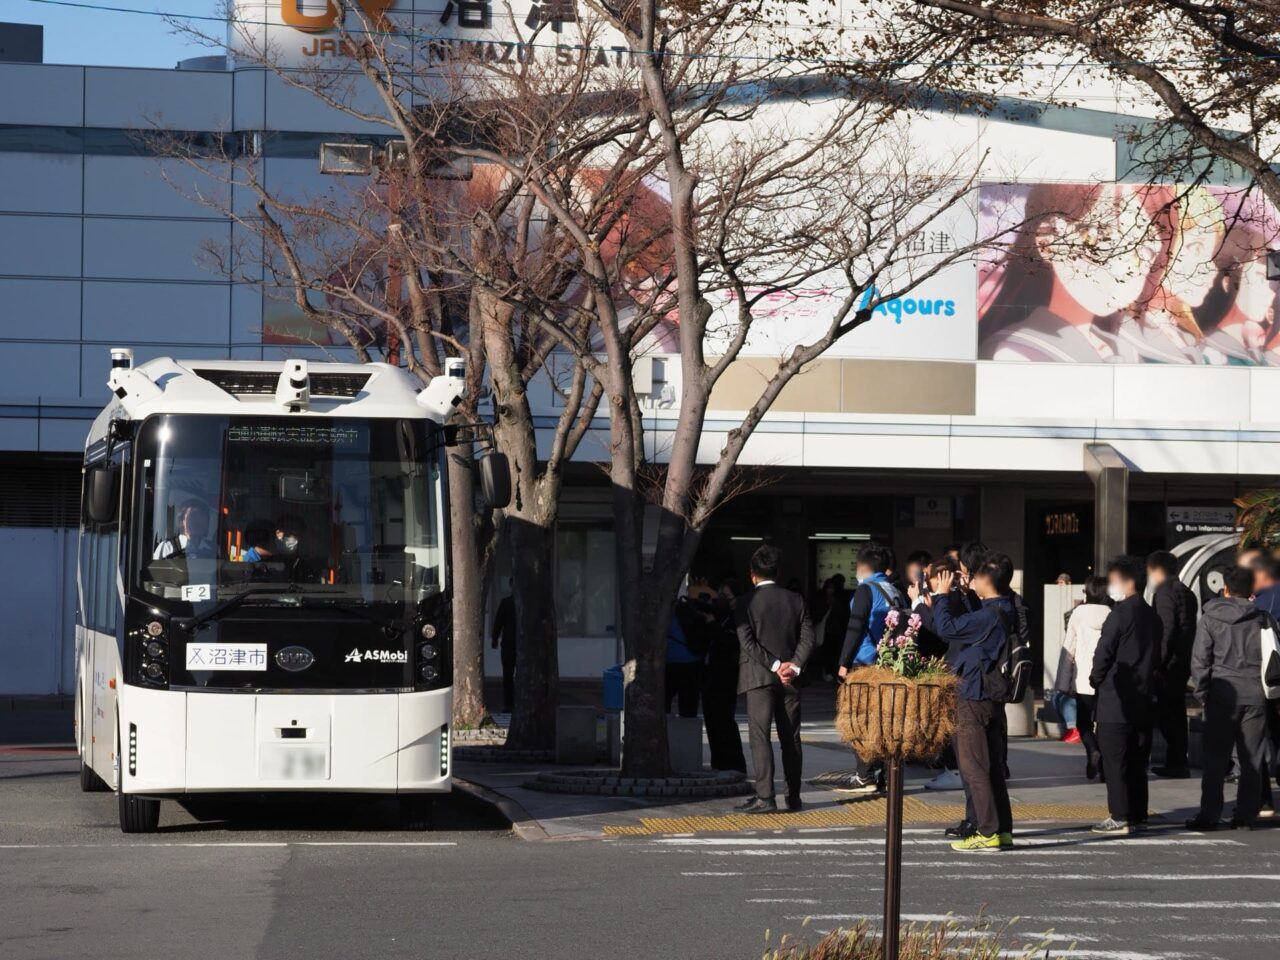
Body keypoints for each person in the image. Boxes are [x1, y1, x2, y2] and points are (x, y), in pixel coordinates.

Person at [932, 560, 1016, 852]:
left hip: (972, 697)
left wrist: (941, 595)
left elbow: (947, 628)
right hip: (988, 698)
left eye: (974, 577)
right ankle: (1002, 829)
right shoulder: (1003, 608)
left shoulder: (990, 616)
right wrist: (968, 594)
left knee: (973, 768)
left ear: (986, 579)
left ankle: (988, 831)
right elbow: (972, 625)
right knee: (990, 767)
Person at [1186, 565, 1274, 831]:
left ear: (1225, 588)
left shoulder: (1211, 617)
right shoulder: (1263, 618)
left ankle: (1209, 814)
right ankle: (1246, 814)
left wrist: (1202, 693)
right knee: (1252, 759)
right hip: (1256, 695)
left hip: (1221, 695)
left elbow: (1200, 661)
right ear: (1252, 591)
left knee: (1215, 758)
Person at [734, 544, 816, 814]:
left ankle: (765, 796)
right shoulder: (796, 600)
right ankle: (793, 797)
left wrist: (776, 664)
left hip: (758, 677)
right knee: (791, 738)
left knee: (760, 736)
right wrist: (793, 666)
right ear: (777, 573)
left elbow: (746, 641)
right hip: (790, 679)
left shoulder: (745, 602)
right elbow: (808, 637)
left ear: (752, 574)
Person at [1089, 556, 1163, 835]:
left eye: (1112, 580)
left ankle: (1119, 815)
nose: (1110, 586)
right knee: (1137, 761)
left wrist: (1095, 679)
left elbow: (1103, 653)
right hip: (1144, 697)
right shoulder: (1152, 616)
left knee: (1114, 760)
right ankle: (1138, 814)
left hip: (1115, 698)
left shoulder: (1119, 614)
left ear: (1128, 581)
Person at [836, 543, 905, 793]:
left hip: (866, 663)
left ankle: (865, 775)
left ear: (861, 566)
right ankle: (885, 775)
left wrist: (844, 662)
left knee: (860, 720)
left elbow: (855, 628)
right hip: (890, 665)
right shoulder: (895, 590)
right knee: (884, 721)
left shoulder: (866, 589)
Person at [1147, 550, 1199, 778]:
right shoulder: (1187, 593)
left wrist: (1157, 662)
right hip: (1182, 661)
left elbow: (1166, 631)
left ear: (1156, 570)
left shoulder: (1165, 592)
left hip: (1168, 665)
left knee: (1167, 714)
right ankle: (1177, 760)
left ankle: (1176, 762)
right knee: (1175, 713)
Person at [1055, 575, 1112, 780]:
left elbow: (1068, 648)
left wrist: (1062, 683)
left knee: (1083, 723)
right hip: (1106, 680)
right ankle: (1105, 769)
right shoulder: (1113, 613)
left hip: (1083, 680)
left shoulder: (1078, 613)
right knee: (1104, 724)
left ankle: (1092, 751)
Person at [702, 578, 746, 774]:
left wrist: (712, 625)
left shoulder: (740, 619)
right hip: (711, 673)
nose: (720, 600)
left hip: (727, 674)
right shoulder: (721, 616)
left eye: (726, 596)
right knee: (711, 718)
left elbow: (729, 642)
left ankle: (734, 763)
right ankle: (718, 762)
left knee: (724, 719)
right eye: (719, 595)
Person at [666, 595, 707, 718]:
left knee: (665, 699)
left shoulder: (670, 620)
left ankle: (667, 727)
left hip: (672, 664)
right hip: (693, 664)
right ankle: (688, 732)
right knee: (689, 705)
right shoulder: (694, 618)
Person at [490, 580, 517, 714]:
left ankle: (510, 704)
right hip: (511, 643)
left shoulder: (507, 603)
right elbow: (498, 622)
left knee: (509, 675)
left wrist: (495, 639)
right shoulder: (507, 603)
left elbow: (498, 622)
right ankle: (510, 703)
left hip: (511, 643)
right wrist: (494, 638)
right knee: (509, 675)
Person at [818, 575, 850, 681]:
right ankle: (826, 671)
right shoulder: (821, 599)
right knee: (826, 651)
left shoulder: (840, 600)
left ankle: (831, 672)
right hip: (826, 629)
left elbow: (843, 615)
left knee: (834, 651)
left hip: (836, 630)